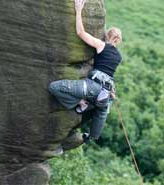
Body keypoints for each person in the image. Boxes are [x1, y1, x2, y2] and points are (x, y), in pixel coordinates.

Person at [49, 0, 123, 145]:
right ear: (118, 41)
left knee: (54, 87)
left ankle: (81, 102)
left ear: (107, 36)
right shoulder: (118, 56)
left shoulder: (101, 45)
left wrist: (78, 11)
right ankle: (92, 136)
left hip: (92, 86)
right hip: (106, 91)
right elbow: (109, 73)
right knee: (101, 111)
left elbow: (80, 32)